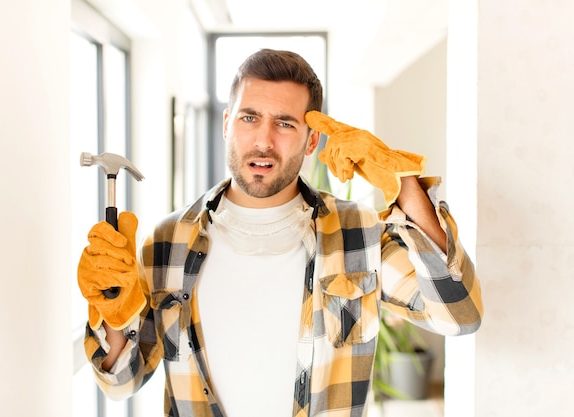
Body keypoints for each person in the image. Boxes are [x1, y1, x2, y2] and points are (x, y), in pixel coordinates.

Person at [78, 48, 483, 417]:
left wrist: (405, 184)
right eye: (249, 117)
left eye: (285, 124)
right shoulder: (166, 242)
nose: (263, 141)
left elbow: (459, 316)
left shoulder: (360, 233)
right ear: (226, 124)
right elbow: (120, 382)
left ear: (312, 142)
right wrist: (114, 309)